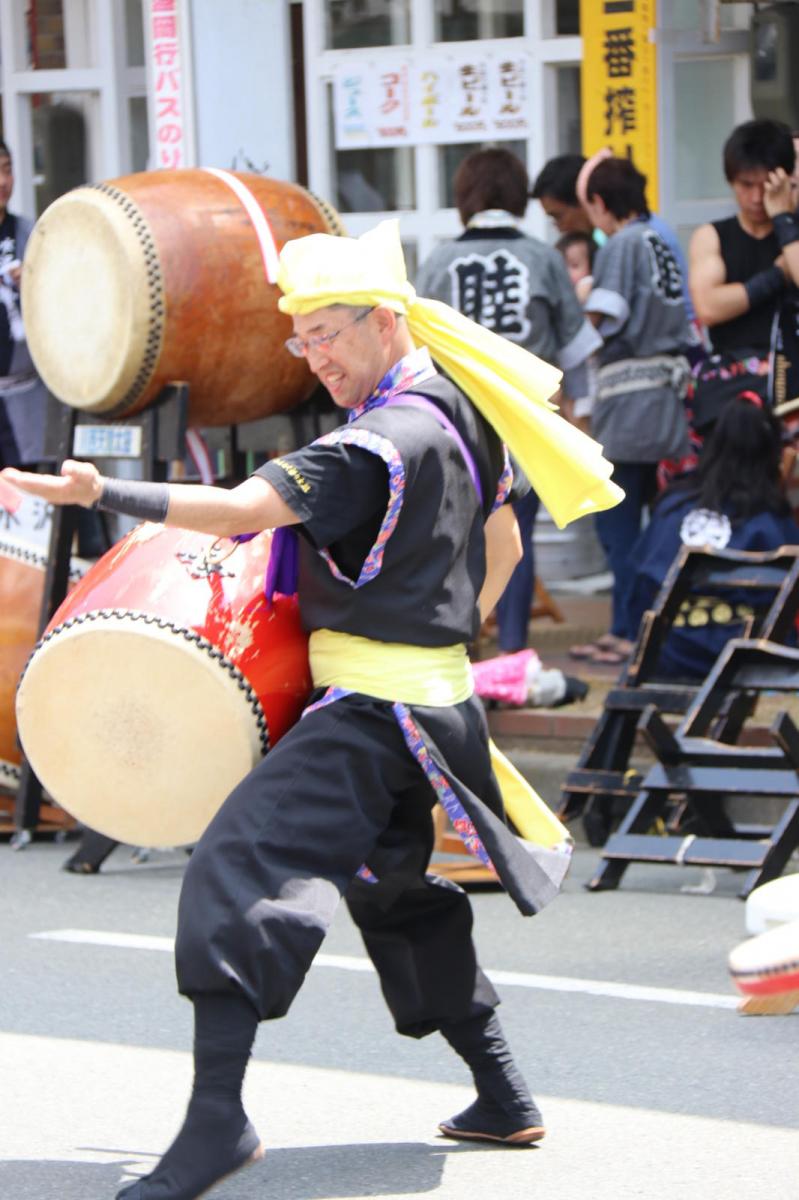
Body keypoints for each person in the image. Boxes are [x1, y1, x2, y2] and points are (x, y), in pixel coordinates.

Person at [3, 219, 620, 1200]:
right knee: (396, 893)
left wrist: (99, 489)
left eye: (328, 333)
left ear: (384, 320)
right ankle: (501, 1094)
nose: (314, 358)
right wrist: (438, 628)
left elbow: (247, 511)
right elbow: (499, 550)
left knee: (236, 863)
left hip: (375, 710)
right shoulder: (457, 406)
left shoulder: (374, 442)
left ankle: (216, 1124)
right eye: (302, 340)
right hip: (432, 707)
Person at [416, 147, 600, 653]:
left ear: (464, 198)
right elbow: (578, 348)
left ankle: (459, 645)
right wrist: (581, 416)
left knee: (457, 536)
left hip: (456, 420)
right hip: (526, 421)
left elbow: (415, 348)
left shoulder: (437, 262)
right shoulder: (543, 258)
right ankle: (516, 649)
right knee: (516, 537)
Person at [573, 157, 692, 665]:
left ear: (600, 204)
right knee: (649, 519)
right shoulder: (661, 239)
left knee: (618, 523)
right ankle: (641, 627)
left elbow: (605, 314)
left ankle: (627, 631)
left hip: (630, 399)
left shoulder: (622, 242)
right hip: (665, 396)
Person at [625, 396, 799, 679]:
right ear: (770, 453)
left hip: (666, 654)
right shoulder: (770, 518)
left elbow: (637, 586)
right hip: (743, 658)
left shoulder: (671, 506)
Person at [688, 118, 796, 415]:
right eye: (746, 185)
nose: (757, 198)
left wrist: (784, 220)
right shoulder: (712, 236)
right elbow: (708, 307)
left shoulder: (793, 234)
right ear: (731, 181)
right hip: (731, 391)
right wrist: (777, 275)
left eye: (766, 186)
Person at [0, 140, 47, 470]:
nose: (3, 181)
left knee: (33, 497)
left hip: (29, 392)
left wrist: (35, 281)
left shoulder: (33, 233)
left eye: (7, 169)